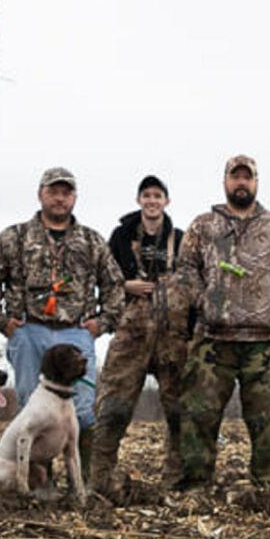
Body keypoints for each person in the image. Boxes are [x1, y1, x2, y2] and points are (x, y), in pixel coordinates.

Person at [173, 155, 270, 507]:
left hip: (264, 341)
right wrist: (201, 300)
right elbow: (185, 270)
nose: (241, 183)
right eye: (235, 177)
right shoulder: (203, 225)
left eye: (248, 178)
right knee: (199, 413)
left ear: (257, 182)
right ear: (225, 182)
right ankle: (195, 486)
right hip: (213, 339)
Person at [0, 167, 123, 484]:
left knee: (84, 410)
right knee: (33, 411)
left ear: (74, 197)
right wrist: (4, 323)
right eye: (53, 191)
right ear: (41, 195)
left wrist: (100, 324)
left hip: (76, 333)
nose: (60, 198)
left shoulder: (91, 241)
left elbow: (114, 285)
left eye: (66, 192)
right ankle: (38, 485)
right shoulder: (14, 237)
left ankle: (86, 485)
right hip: (29, 331)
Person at [91, 174, 186, 498]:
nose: (152, 201)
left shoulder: (181, 239)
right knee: (114, 408)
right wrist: (125, 285)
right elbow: (102, 277)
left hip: (172, 335)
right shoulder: (119, 236)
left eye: (158, 195)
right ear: (138, 201)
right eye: (146, 195)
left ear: (166, 201)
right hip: (130, 333)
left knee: (178, 412)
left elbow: (194, 285)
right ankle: (100, 481)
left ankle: (176, 481)